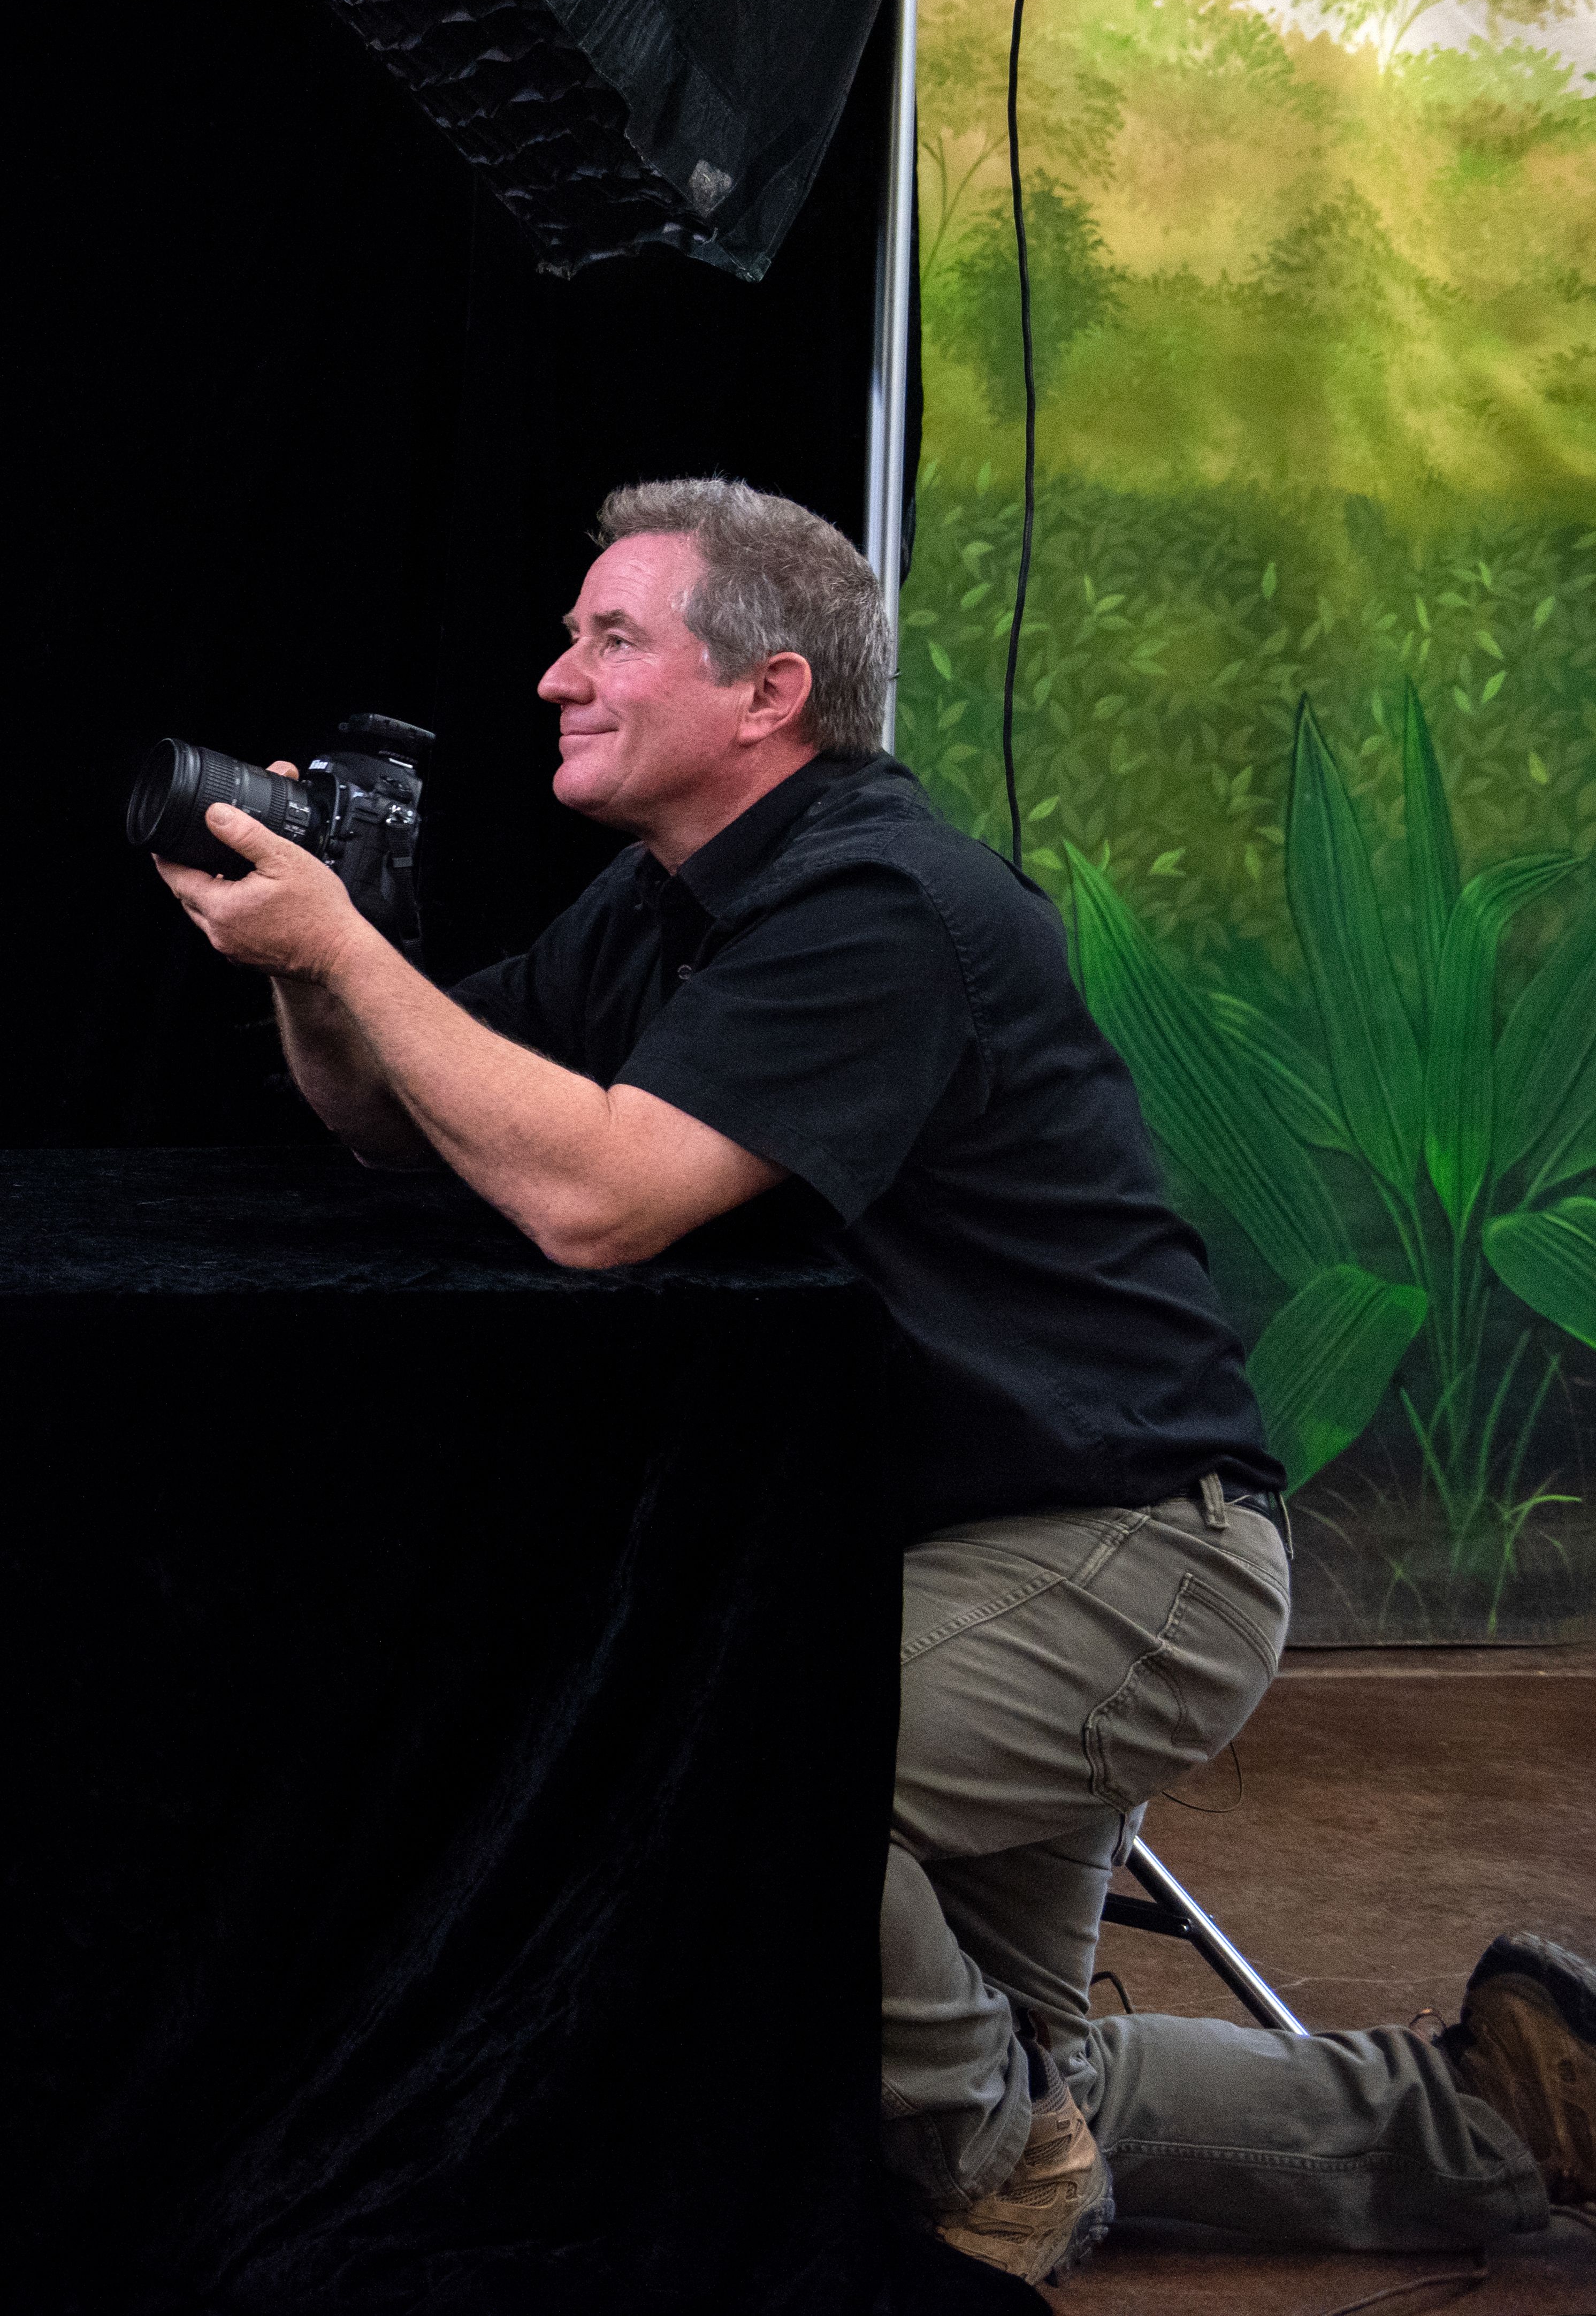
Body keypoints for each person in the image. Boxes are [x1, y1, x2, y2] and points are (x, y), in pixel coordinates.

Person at [155, 474, 1596, 2281]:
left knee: (720, 1772)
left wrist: (351, 951)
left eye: (613, 636)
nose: (553, 676)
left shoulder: (874, 904)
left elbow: (595, 1201)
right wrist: (322, 951)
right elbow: (405, 1121)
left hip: (1123, 1566)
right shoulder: (666, 905)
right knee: (967, 2068)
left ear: (769, 695)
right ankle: (1501, 2114)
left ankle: (1013, 2173)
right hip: (975, 1552)